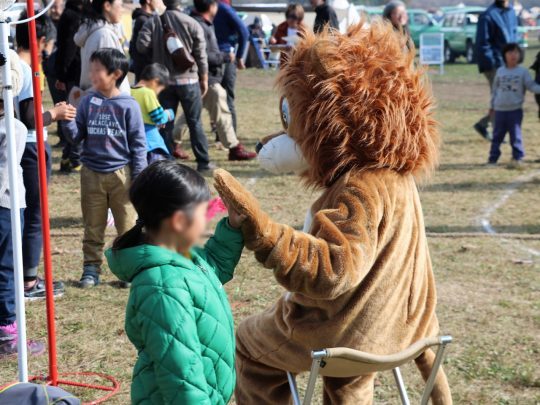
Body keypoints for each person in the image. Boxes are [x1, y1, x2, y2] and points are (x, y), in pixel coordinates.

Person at [106, 160, 245, 404]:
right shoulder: (161, 288)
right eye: (204, 214)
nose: (208, 220)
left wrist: (232, 228)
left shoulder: (180, 255)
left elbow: (212, 267)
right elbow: (181, 376)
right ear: (180, 222)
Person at [62, 49, 147, 288]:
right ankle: (91, 269)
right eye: (91, 68)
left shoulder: (128, 106)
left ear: (115, 74)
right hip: (91, 173)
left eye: (96, 69)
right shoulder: (88, 100)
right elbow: (77, 136)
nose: (91, 73)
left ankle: (129, 271)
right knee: (93, 225)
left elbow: (139, 145)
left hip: (122, 175)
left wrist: (138, 178)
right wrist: (68, 118)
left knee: (127, 226)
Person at [15, 13, 76, 300]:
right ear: (40, 40)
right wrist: (56, 113)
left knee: (18, 212)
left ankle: (18, 274)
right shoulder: (27, 69)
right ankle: (28, 281)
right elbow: (29, 117)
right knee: (35, 214)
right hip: (30, 147)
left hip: (13, 145)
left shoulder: (10, 64)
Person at [0, 50, 45, 356]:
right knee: (7, 266)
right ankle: (7, 331)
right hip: (6, 203)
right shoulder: (13, 128)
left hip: (9, 201)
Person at [137, 0, 213, 172]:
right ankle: (203, 162)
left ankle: (166, 161)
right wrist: (204, 78)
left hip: (163, 82)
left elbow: (141, 46)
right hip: (189, 81)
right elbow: (201, 54)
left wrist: (157, 52)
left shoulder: (153, 22)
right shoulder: (192, 22)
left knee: (165, 123)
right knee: (195, 123)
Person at [179, 0, 256, 161]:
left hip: (200, 76)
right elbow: (203, 55)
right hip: (206, 76)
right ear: (212, 6)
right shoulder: (201, 25)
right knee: (221, 107)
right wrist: (226, 56)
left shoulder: (194, 21)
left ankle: (172, 142)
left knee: (190, 112)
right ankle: (234, 147)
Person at [488, 43, 540, 167]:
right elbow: (495, 90)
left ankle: (518, 157)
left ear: (520, 55)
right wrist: (492, 106)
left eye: (516, 52)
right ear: (504, 55)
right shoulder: (500, 71)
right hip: (500, 110)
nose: (513, 55)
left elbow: (531, 86)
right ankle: (493, 159)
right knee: (497, 135)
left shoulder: (523, 72)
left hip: (515, 110)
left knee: (515, 135)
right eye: (510, 52)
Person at [475, 0, 518, 141]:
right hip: (494, 65)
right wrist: (492, 64)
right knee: (500, 98)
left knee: (505, 97)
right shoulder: (488, 15)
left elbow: (514, 36)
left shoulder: (511, 12)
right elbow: (483, 43)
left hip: (508, 63)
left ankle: (484, 124)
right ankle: (497, 133)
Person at [55, 0, 85, 173]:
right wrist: (62, 76)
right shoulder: (72, 16)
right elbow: (67, 48)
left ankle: (69, 156)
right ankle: (73, 158)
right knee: (75, 114)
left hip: (75, 73)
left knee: (75, 114)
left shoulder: (73, 15)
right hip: (74, 74)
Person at [75, 0, 130, 94]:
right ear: (107, 6)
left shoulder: (96, 32)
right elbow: (108, 78)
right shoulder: (104, 35)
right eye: (121, 5)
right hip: (109, 103)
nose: (123, 10)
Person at [214, 1, 249, 133]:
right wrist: (240, 56)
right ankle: (226, 136)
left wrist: (239, 56)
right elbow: (244, 32)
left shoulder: (216, 8)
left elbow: (244, 32)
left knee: (221, 99)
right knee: (223, 99)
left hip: (218, 57)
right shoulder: (223, 8)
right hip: (223, 57)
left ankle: (227, 136)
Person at [131, 63, 175, 163]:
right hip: (150, 143)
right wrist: (169, 114)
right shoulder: (147, 93)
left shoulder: (129, 90)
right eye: (160, 90)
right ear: (155, 82)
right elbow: (158, 117)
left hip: (133, 140)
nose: (158, 93)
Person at [129, 0, 161, 82]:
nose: (158, 2)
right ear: (148, 1)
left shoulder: (143, 18)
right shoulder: (143, 20)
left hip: (142, 68)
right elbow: (143, 48)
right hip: (145, 69)